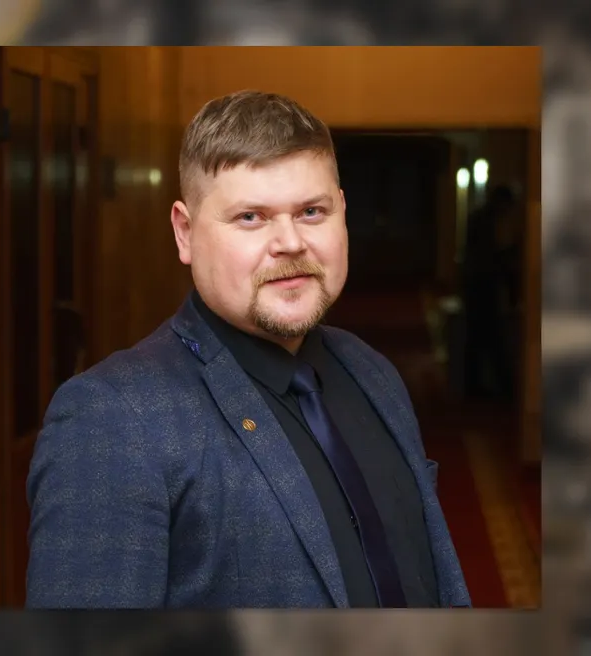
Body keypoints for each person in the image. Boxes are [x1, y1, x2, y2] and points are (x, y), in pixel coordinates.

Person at [26, 90, 470, 609]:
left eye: (311, 211)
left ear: (343, 213)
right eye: (251, 218)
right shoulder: (112, 420)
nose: (290, 243)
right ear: (185, 233)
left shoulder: (373, 373)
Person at [459, 184, 518, 401]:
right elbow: (496, 254)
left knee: (478, 338)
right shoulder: (489, 222)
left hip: (477, 282)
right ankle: (500, 389)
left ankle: (475, 386)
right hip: (483, 283)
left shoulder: (480, 218)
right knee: (490, 338)